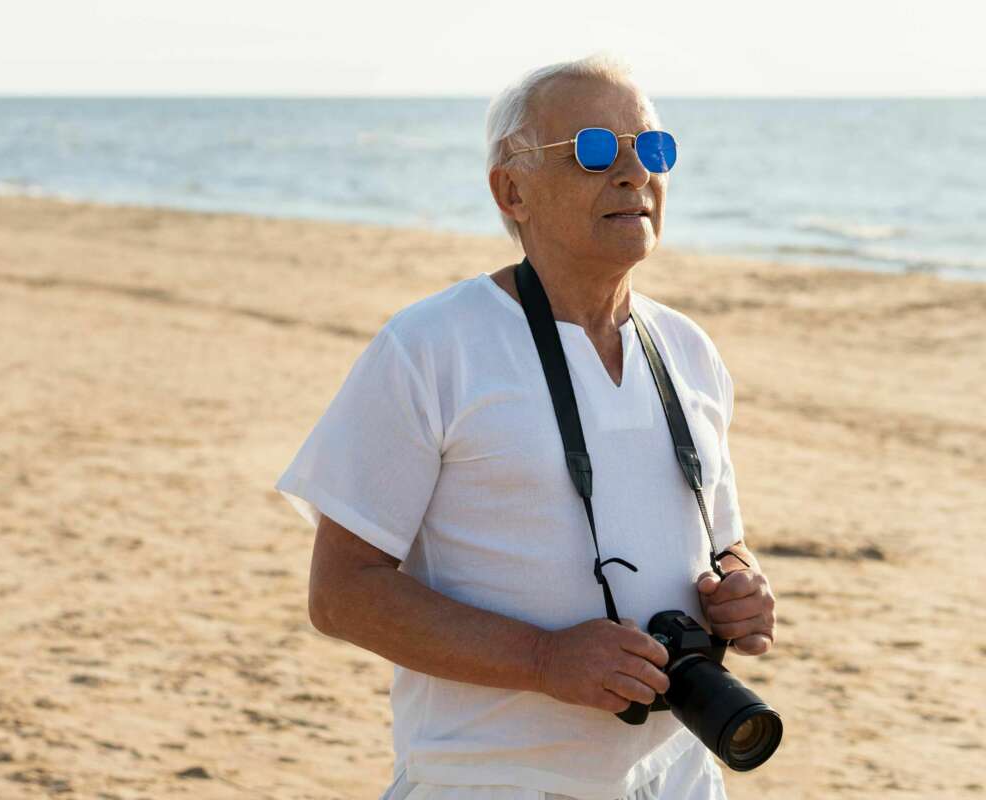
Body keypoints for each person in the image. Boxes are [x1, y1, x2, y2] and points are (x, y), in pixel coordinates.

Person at [274, 52, 777, 800]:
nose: (635, 173)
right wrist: (544, 659)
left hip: (676, 778)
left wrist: (740, 583)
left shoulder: (688, 351)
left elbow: (719, 539)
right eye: (594, 150)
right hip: (489, 781)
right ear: (512, 190)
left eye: (653, 148)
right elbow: (341, 593)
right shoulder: (431, 348)